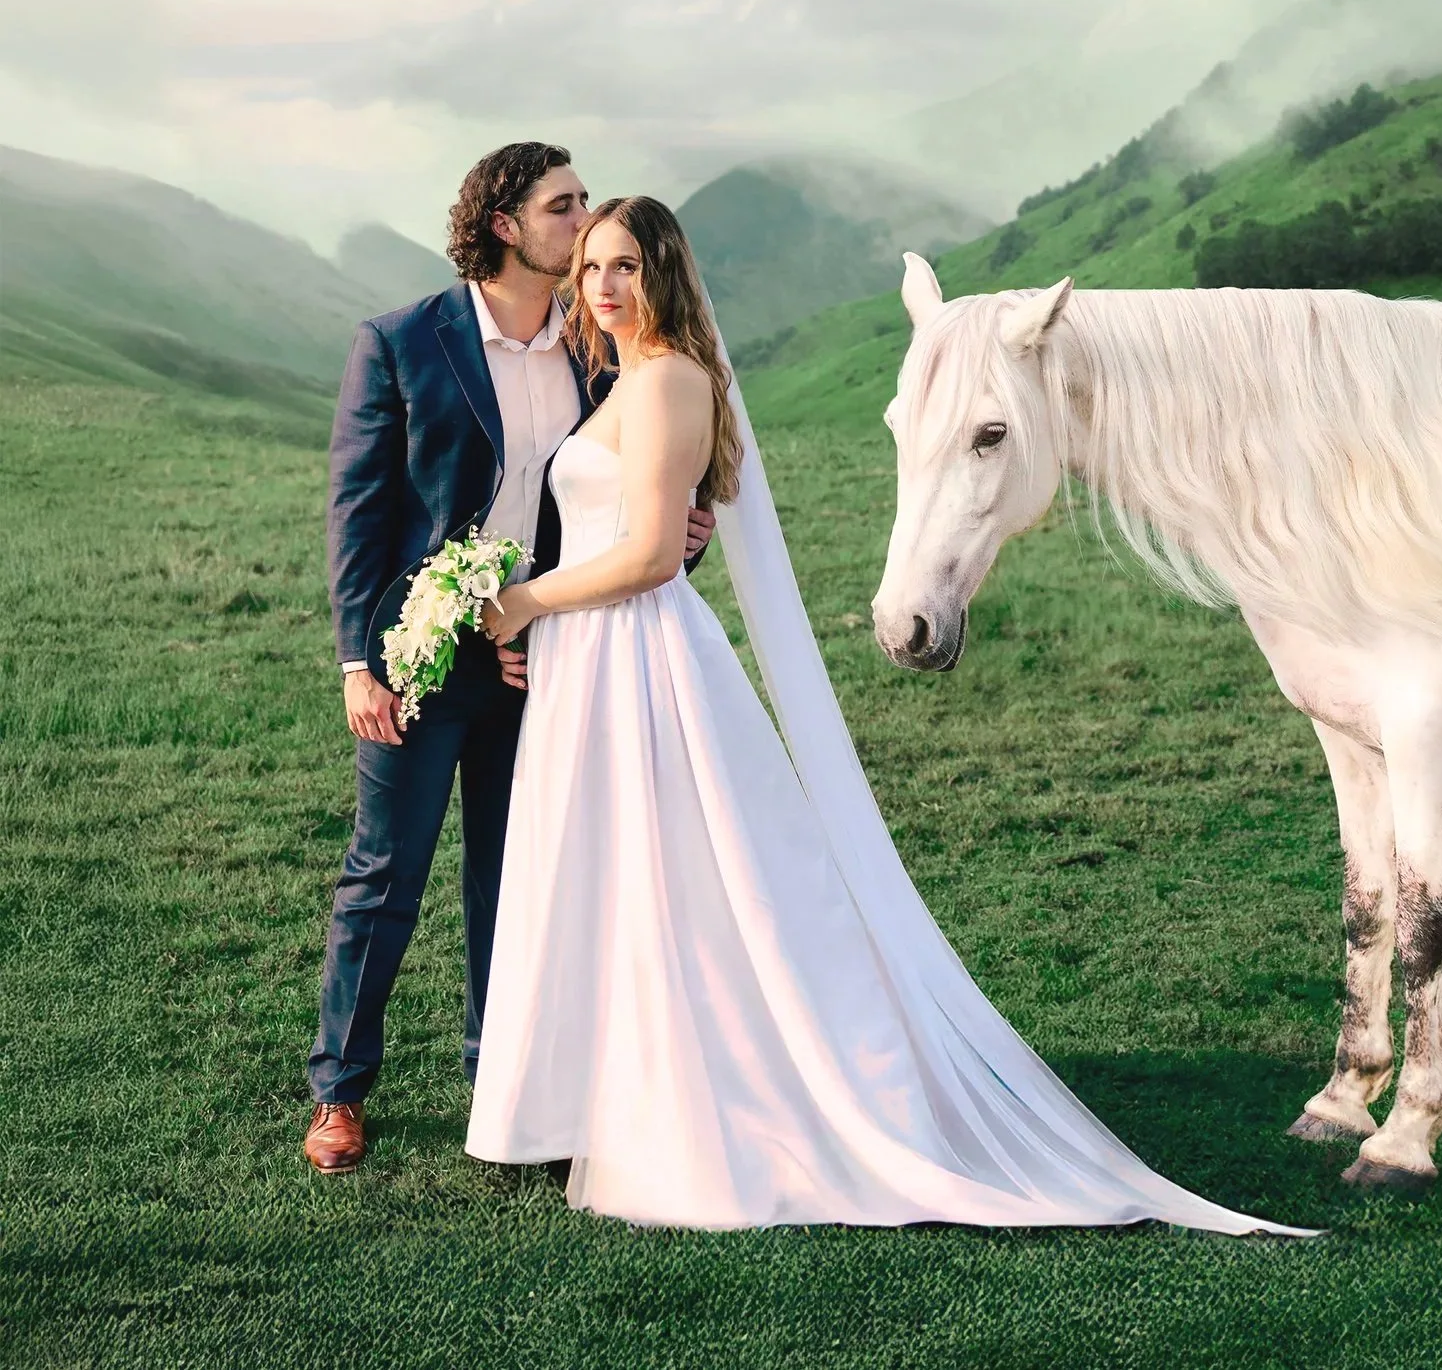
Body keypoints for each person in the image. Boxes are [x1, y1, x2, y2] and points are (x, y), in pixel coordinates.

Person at [464, 197, 1295, 1233]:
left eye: (625, 265)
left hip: (637, 654)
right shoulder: (624, 378)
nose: (603, 286)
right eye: (590, 266)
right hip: (588, 658)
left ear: (664, 273)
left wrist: (528, 600)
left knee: (670, 871)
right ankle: (606, 1093)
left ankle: (712, 1100)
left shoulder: (671, 377)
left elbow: (642, 556)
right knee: (612, 869)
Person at [308, 146, 713, 1175]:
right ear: (504, 223)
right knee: (385, 870)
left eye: (585, 204)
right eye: (562, 206)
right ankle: (341, 1092)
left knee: (518, 871)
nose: (583, 223)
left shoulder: (597, 345)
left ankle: (506, 1077)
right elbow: (359, 515)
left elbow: (634, 478)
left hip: (546, 651)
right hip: (418, 652)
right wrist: (361, 662)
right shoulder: (401, 343)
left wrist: (680, 528)